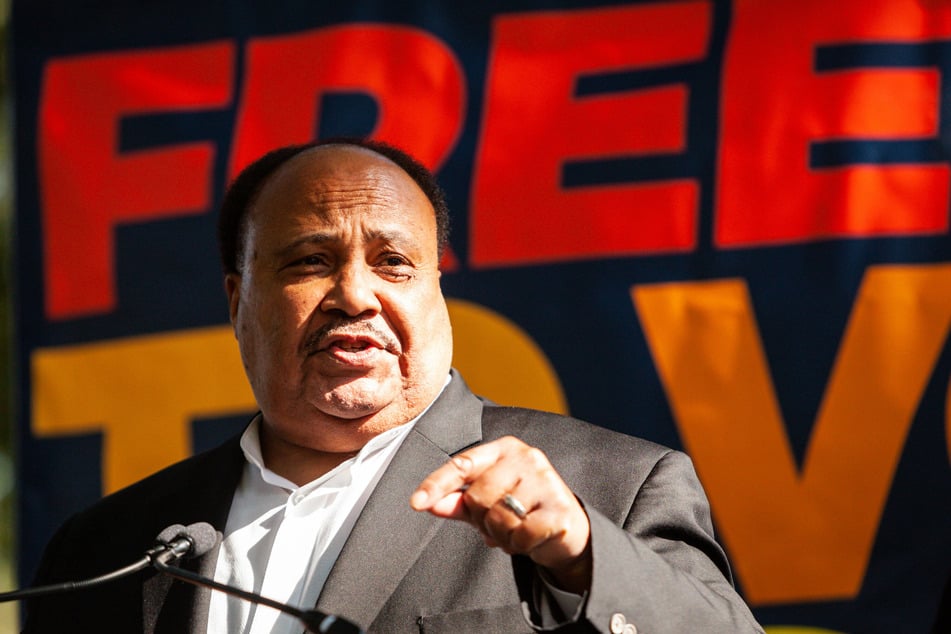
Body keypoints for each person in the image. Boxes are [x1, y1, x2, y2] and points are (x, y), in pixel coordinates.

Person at [24, 138, 763, 633]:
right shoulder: (105, 548)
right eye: (309, 263)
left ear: (438, 290)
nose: (355, 294)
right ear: (235, 300)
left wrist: (578, 552)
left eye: (393, 263)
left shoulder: (608, 489)